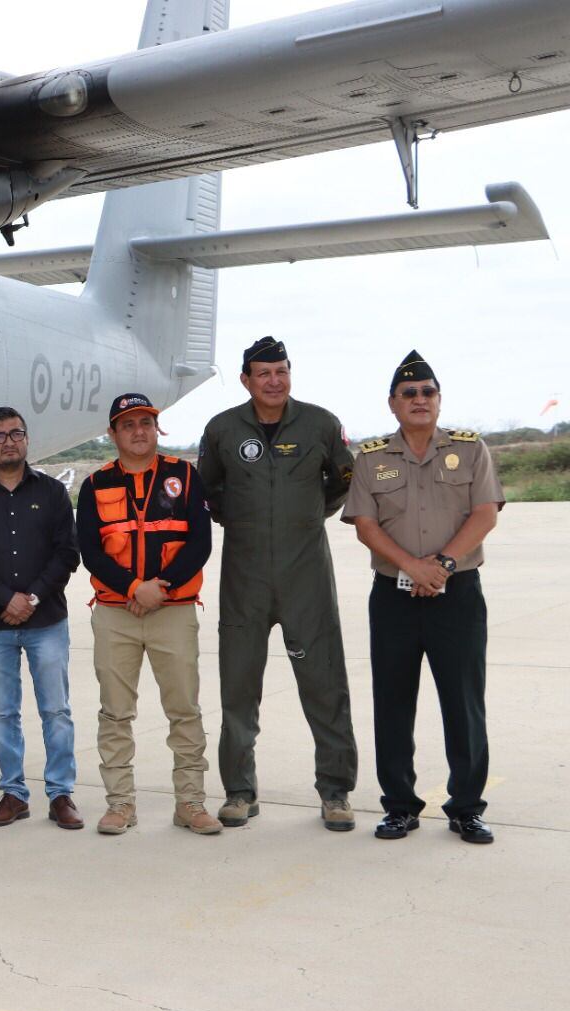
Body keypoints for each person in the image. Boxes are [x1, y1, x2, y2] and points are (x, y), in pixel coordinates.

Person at [198, 336, 360, 832]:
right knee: (239, 686)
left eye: (282, 371)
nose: (274, 380)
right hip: (244, 576)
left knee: (324, 682)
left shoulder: (321, 424)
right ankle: (239, 792)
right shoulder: (223, 429)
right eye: (263, 373)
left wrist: (305, 517)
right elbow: (212, 493)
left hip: (306, 574)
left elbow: (342, 483)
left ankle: (335, 792)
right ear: (246, 379)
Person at [343, 352, 503, 845]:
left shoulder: (470, 450)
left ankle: (467, 808)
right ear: (393, 404)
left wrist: (442, 566)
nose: (419, 399)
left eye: (427, 392)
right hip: (393, 597)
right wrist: (412, 566)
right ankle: (399, 807)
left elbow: (484, 514)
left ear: (438, 400)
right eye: (408, 393)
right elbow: (365, 526)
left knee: (464, 704)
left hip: (457, 596)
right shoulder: (371, 457)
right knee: (392, 703)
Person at [78, 394, 220, 836]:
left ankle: (191, 803)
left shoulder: (183, 475)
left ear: (157, 428)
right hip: (116, 612)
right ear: (112, 433)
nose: (139, 431)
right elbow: (90, 550)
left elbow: (200, 543)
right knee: (115, 713)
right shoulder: (95, 484)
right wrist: (132, 589)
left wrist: (161, 588)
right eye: (128, 424)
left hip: (172, 610)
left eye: (146, 422)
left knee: (184, 709)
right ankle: (120, 805)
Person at [0, 406, 83, 829]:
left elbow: (67, 552)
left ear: (26, 439)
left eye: (16, 433)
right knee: (3, 713)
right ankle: (13, 793)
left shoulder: (52, 493)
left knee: (56, 711)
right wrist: (6, 598)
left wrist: (31, 597)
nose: (9, 441)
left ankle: (61, 795)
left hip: (46, 621)